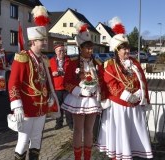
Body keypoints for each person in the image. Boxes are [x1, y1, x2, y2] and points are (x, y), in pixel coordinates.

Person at [96, 17, 153, 160]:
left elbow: (142, 80)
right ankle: (118, 156)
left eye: (128, 48)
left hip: (135, 104)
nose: (127, 51)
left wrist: (140, 93)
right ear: (117, 50)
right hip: (119, 105)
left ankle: (131, 153)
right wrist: (127, 95)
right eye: (124, 49)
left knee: (133, 132)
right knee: (120, 133)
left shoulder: (135, 62)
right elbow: (110, 83)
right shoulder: (109, 64)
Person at [8, 6, 60, 160]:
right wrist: (16, 105)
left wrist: (50, 95)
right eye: (42, 40)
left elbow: (48, 80)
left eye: (45, 40)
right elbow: (13, 83)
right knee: (23, 141)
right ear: (32, 41)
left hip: (42, 106)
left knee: (37, 140)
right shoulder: (22, 58)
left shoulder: (44, 60)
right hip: (27, 107)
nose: (45, 42)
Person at [61, 21, 107, 160]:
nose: (90, 51)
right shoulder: (73, 62)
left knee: (89, 130)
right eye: (87, 48)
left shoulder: (97, 63)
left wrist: (97, 88)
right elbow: (66, 83)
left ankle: (87, 157)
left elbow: (103, 80)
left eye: (91, 48)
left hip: (92, 100)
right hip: (78, 100)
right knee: (78, 129)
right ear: (81, 48)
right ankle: (77, 157)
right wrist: (79, 90)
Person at [49, 43, 73, 131]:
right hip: (56, 87)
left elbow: (72, 73)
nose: (62, 52)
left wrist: (64, 73)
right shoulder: (51, 61)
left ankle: (70, 123)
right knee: (58, 107)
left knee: (68, 107)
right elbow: (48, 73)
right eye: (60, 51)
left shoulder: (69, 60)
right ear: (56, 52)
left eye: (63, 50)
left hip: (67, 87)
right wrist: (52, 74)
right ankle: (59, 123)